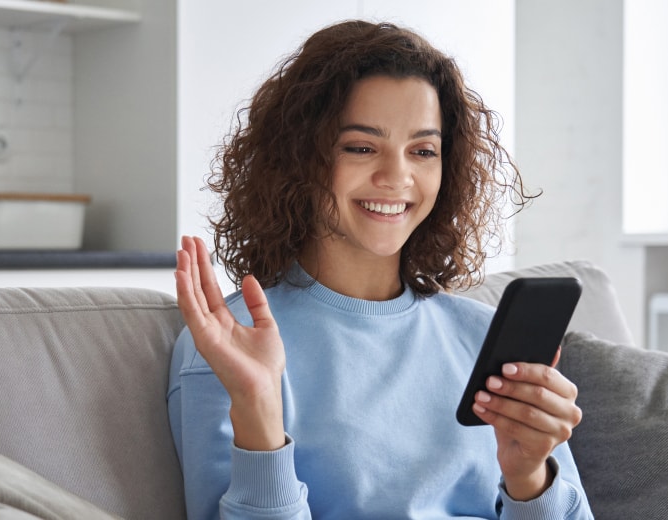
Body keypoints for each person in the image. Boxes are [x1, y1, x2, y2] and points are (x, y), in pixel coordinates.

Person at [167, 19, 593, 519]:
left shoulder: (481, 336)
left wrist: (529, 479)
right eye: (361, 147)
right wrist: (258, 410)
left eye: (423, 151)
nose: (397, 177)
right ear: (300, 159)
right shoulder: (227, 347)